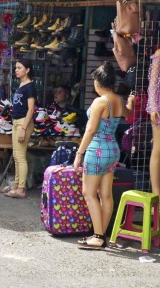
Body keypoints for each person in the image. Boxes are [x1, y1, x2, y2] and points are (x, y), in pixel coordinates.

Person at [73, 62, 126, 249]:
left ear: (98, 82)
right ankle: (101, 235)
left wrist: (79, 153)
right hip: (113, 150)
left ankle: (97, 236)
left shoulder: (100, 101)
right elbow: (128, 114)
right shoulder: (118, 100)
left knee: (88, 193)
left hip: (97, 150)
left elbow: (90, 129)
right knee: (106, 195)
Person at [2, 59, 36, 199]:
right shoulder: (21, 85)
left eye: (19, 67)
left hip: (23, 123)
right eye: (16, 67)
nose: (16, 70)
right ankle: (16, 184)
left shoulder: (30, 87)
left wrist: (23, 128)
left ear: (27, 70)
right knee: (16, 155)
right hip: (16, 122)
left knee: (21, 157)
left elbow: (31, 109)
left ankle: (21, 189)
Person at [147, 48, 160, 194]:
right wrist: (153, 106)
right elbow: (153, 83)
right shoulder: (159, 54)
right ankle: (157, 194)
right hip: (159, 107)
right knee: (158, 149)